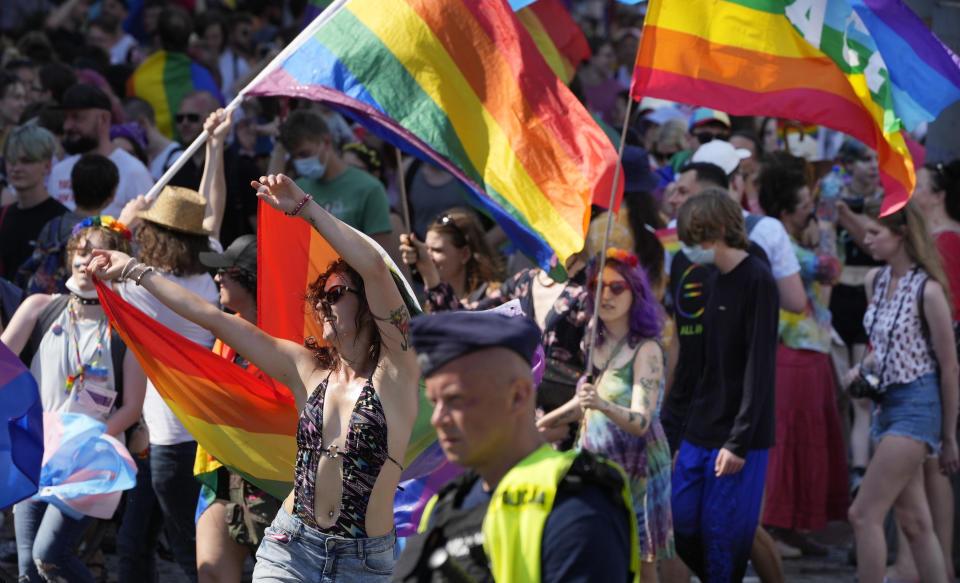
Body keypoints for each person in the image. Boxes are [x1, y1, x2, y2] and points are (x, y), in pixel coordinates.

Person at [91, 172, 420, 581]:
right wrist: (135, 270)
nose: (323, 307)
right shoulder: (306, 369)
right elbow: (212, 317)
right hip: (292, 546)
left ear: (367, 305)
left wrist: (304, 207)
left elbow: (373, 267)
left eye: (335, 295)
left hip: (363, 563)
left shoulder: (397, 372)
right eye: (319, 299)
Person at [394, 310, 638, 583]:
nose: (438, 418)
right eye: (434, 402)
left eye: (456, 400)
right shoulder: (446, 504)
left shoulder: (577, 503)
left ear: (518, 396)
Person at [1, 216, 146, 583]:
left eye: (97, 254)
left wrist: (84, 443)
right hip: (35, 450)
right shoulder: (39, 307)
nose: (85, 262)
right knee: (26, 573)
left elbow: (132, 407)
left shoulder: (127, 329)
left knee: (48, 557)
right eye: (80, 252)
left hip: (88, 459)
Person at [538, 248, 675, 581]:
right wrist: (542, 424)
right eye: (598, 285)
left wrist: (602, 405)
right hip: (599, 464)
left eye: (617, 287)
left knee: (642, 563)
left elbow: (642, 422)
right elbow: (584, 401)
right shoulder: (592, 345)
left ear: (635, 293)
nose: (606, 295)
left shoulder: (647, 349)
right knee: (604, 551)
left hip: (638, 465)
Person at [846, 201, 959, 583]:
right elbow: (885, 346)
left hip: (917, 404)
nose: (867, 238)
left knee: (863, 514)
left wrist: (948, 436)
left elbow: (949, 366)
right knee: (914, 522)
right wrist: (862, 369)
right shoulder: (874, 281)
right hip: (886, 404)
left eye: (876, 233)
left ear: (902, 235)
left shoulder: (928, 291)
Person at [670, 189, 779, 582]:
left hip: (738, 435)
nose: (687, 249)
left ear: (715, 232)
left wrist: (739, 440)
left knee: (723, 537)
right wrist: (684, 429)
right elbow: (702, 364)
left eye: (692, 238)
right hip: (701, 427)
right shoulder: (710, 278)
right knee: (679, 521)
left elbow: (759, 367)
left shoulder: (758, 280)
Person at [756, 157, 849, 555]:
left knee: (804, 438)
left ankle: (790, 526)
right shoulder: (784, 247)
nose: (809, 208)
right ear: (785, 212)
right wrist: (827, 220)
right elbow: (830, 268)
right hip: (792, 353)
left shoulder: (782, 239)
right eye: (804, 203)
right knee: (791, 439)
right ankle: (776, 528)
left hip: (806, 351)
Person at [881, 162, 960, 583]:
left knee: (932, 469)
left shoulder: (947, 241)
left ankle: (932, 564)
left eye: (919, 187)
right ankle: (928, 565)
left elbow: (947, 313)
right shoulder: (935, 239)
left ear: (939, 195)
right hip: (926, 370)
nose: (912, 193)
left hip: (928, 371)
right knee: (924, 472)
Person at [193, 234, 283, 583]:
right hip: (223, 474)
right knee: (212, 575)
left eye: (226, 273)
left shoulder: (288, 338)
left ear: (250, 278)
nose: (217, 279)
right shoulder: (226, 333)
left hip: (274, 483)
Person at [829, 138, 885, 494]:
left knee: (862, 391)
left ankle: (861, 471)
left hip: (869, 297)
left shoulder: (884, 201)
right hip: (837, 298)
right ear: (848, 164)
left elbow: (871, 243)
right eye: (865, 159)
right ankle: (842, 467)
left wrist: (845, 214)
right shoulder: (831, 193)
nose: (872, 166)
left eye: (875, 160)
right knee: (840, 392)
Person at [275, 109, 395, 253]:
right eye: (295, 157)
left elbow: (381, 257)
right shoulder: (297, 189)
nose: (301, 161)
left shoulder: (370, 187)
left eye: (304, 153)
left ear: (326, 141)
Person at [45, 83, 154, 219]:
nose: (67, 126)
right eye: (65, 118)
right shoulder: (59, 171)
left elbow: (149, 232)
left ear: (103, 119)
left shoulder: (133, 171)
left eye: (77, 117)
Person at [16, 152, 119, 294]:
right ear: (113, 194)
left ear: (71, 187)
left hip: (48, 302)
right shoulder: (109, 235)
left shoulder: (53, 226)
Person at [400, 207, 505, 308]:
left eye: (437, 250)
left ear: (465, 254)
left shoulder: (493, 297)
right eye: (426, 248)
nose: (427, 256)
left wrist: (429, 275)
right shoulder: (427, 300)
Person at [0, 124, 67, 281]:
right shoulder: (2, 215)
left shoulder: (62, 220)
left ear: (47, 165)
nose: (16, 168)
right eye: (11, 161)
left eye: (26, 161)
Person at [122, 96, 184, 180]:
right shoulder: (141, 157)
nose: (120, 136)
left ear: (142, 122)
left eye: (124, 130)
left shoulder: (177, 158)